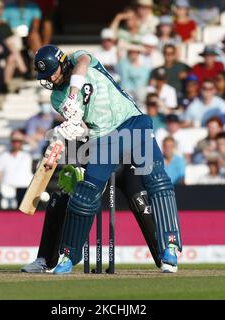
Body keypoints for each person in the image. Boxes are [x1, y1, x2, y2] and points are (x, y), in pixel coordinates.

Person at [32, 44, 182, 274]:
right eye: (46, 76)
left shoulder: (79, 59)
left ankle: (169, 246)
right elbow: (83, 127)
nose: (50, 78)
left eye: (52, 71)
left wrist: (73, 94)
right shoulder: (55, 97)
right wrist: (73, 129)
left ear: (62, 63)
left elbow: (82, 64)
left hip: (132, 122)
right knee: (84, 195)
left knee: (157, 180)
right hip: (104, 139)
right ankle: (68, 257)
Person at [22, 164, 162, 273]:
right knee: (58, 201)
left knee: (140, 201)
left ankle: (163, 257)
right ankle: (46, 260)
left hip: (126, 163)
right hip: (93, 164)